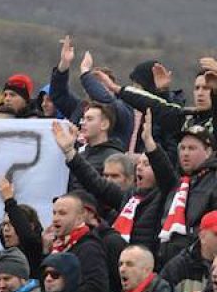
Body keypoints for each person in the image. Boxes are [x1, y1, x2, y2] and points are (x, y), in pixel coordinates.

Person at [56, 110, 175, 257]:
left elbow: (166, 173)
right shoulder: (128, 197)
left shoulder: (166, 195)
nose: (139, 167)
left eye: (147, 164)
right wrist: (69, 152)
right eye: (139, 163)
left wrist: (150, 144)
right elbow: (96, 183)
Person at [150, 123, 217, 266]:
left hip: (196, 266)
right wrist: (150, 145)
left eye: (192, 148)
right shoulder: (179, 183)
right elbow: (162, 169)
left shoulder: (214, 180)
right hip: (166, 258)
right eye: (182, 148)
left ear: (208, 152)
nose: (185, 153)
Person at [50, 36, 134, 148]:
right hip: (78, 161)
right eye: (95, 85)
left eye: (104, 85)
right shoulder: (81, 108)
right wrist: (63, 65)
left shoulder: (122, 110)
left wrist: (85, 73)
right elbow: (58, 95)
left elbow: (106, 101)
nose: (98, 89)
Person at [47, 192, 111, 292]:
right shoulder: (58, 247)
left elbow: (97, 289)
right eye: (54, 213)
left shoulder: (89, 247)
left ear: (80, 218)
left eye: (62, 213)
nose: (55, 218)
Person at [63, 102, 126, 193]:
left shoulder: (114, 157)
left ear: (104, 124)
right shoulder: (80, 153)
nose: (83, 123)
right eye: (83, 119)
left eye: (89, 119)